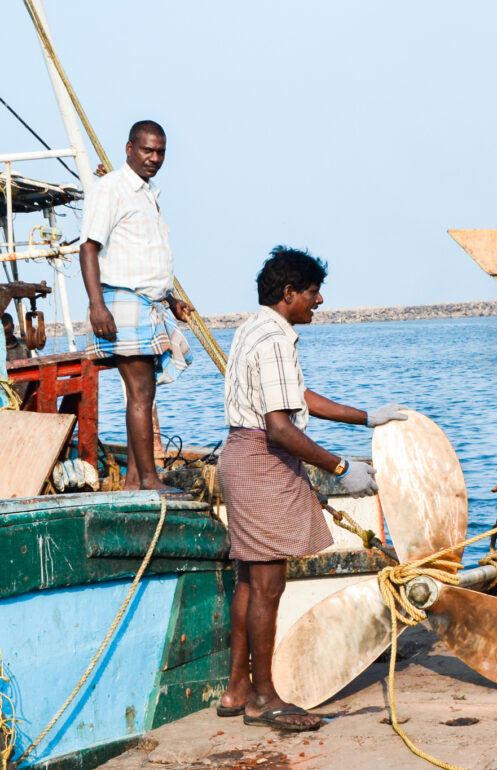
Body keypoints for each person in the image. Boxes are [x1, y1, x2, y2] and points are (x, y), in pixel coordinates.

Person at [216, 246, 408, 731]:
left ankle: (237, 690)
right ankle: (265, 699)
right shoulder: (276, 339)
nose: (319, 301)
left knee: (248, 580)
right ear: (289, 293)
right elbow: (280, 426)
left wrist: (365, 417)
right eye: (313, 292)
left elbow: (297, 397)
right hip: (263, 461)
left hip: (241, 455)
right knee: (268, 585)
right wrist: (342, 467)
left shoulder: (252, 328)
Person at [79, 120, 194, 491]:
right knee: (141, 392)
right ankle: (148, 478)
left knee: (143, 393)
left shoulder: (147, 194)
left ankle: (133, 480)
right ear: (129, 148)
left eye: (160, 152)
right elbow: (89, 248)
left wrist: (172, 300)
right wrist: (97, 305)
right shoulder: (110, 188)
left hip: (149, 303)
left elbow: (142, 258)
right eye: (147, 150)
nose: (154, 158)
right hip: (121, 301)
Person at [3, 312, 31, 403]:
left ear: (13, 327)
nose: (5, 337)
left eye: (8, 333)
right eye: (2, 334)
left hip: (25, 397)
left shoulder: (24, 346)